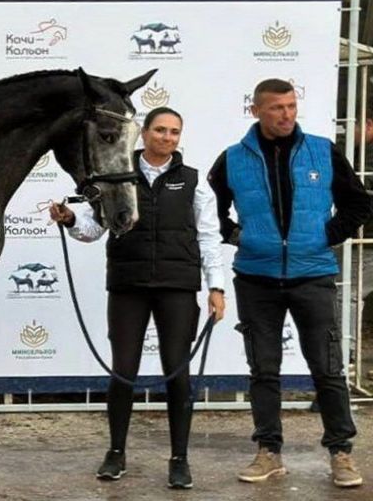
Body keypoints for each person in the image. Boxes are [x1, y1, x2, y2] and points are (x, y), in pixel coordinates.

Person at [208, 78, 372, 488]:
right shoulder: (232, 158)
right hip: (255, 278)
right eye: (277, 107)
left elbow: (359, 202)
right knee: (263, 370)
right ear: (257, 111)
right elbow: (209, 212)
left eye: (291, 106)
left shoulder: (321, 149)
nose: (286, 114)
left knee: (328, 369)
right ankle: (268, 452)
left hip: (312, 275)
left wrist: (324, 236)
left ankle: (341, 453)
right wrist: (237, 236)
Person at [50, 106, 225, 490]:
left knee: (178, 374)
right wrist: (70, 220)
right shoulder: (116, 175)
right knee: (122, 372)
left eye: (174, 132)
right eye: (160, 130)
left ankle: (179, 459)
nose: (167, 137)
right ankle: (116, 453)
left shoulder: (194, 181)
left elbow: (210, 238)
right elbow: (95, 228)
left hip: (178, 287)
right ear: (143, 133)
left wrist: (216, 287)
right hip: (128, 286)